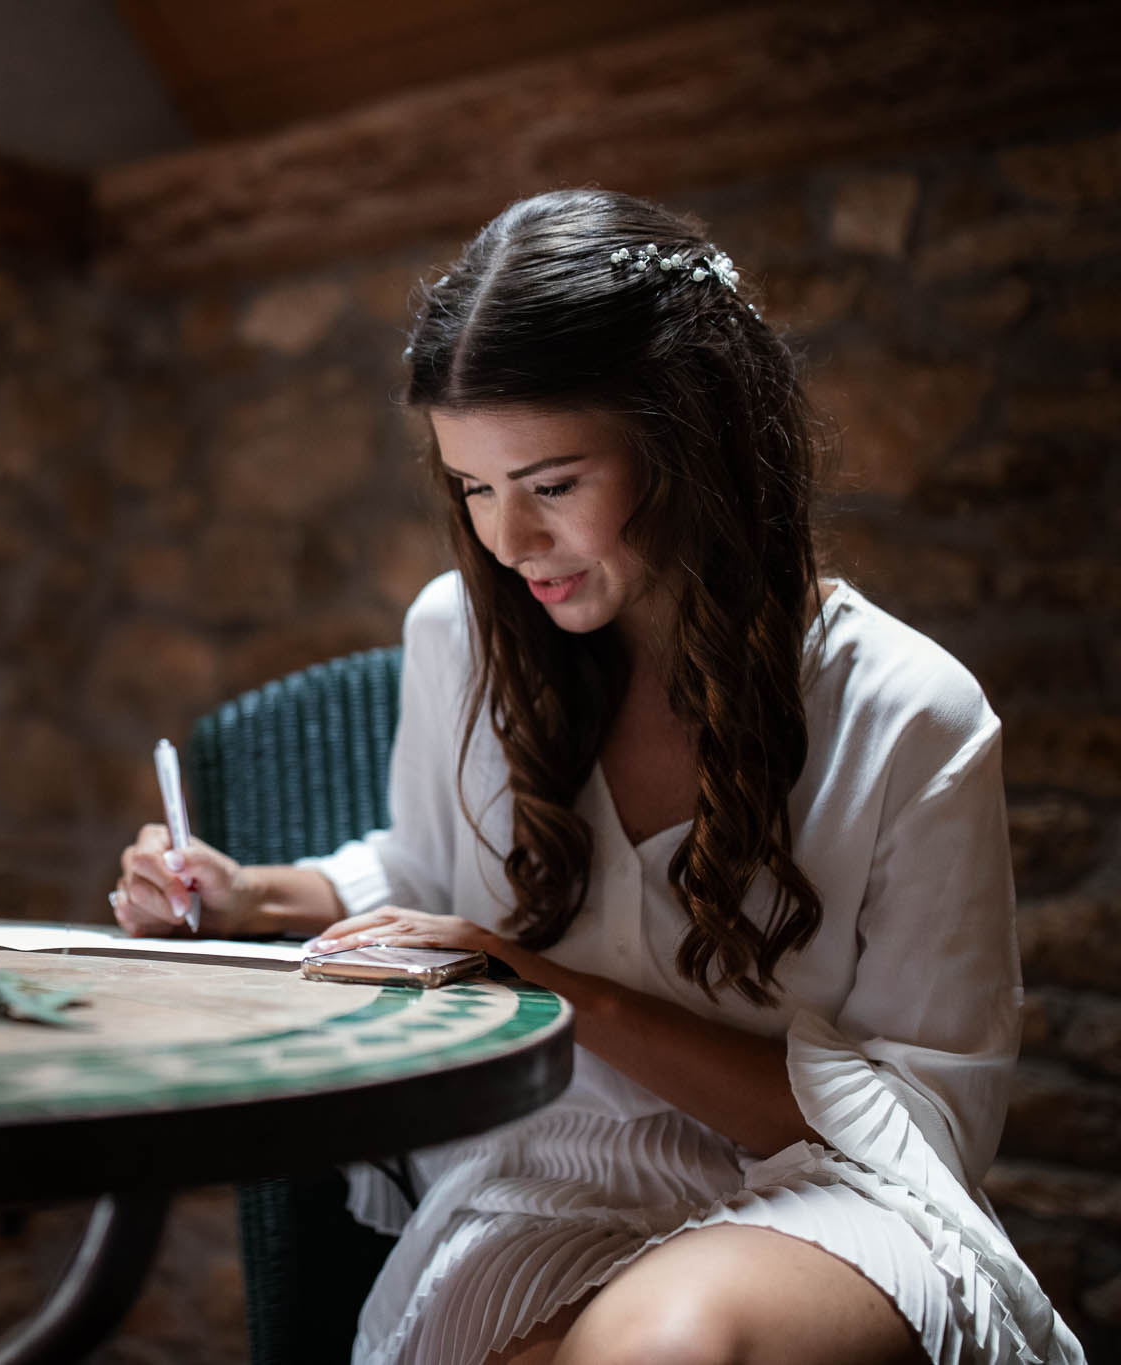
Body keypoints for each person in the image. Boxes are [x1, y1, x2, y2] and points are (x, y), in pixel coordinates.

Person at [110, 189, 1084, 1365]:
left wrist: (557, 989)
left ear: (689, 442)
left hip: (827, 1197)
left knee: (661, 1342)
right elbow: (432, 866)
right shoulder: (458, 639)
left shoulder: (906, 713)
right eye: (471, 488)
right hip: (543, 1179)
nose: (504, 544)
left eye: (551, 485)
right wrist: (251, 896)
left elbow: (926, 1126)